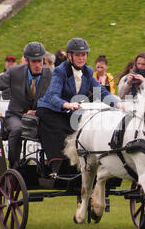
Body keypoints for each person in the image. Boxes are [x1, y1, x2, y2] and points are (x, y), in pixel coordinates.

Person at [36, 38, 124, 178]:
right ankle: (57, 167)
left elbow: (101, 92)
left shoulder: (88, 71)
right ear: (70, 56)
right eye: (77, 55)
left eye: (83, 55)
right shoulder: (60, 71)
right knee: (63, 130)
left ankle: (87, 165)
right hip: (51, 110)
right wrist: (67, 104)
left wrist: (118, 103)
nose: (81, 58)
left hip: (72, 110)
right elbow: (53, 96)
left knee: (86, 130)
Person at [0, 42, 53, 169]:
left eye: (40, 61)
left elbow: (54, 96)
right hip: (15, 115)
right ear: (27, 60)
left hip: (39, 116)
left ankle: (51, 165)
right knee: (17, 129)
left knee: (54, 128)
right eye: (33, 61)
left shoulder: (49, 74)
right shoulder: (14, 72)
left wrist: (39, 111)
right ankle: (14, 166)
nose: (37, 65)